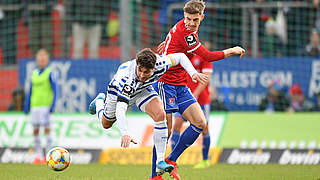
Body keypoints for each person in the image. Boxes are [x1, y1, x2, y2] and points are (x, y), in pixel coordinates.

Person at [152, 1, 245, 179]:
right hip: (167, 84)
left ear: (202, 17)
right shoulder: (187, 32)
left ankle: (171, 160)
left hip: (181, 85)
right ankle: (154, 176)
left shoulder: (187, 28)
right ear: (184, 15)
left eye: (195, 19)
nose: (191, 23)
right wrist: (232, 50)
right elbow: (208, 56)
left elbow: (174, 37)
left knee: (200, 123)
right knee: (166, 131)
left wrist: (168, 42)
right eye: (187, 19)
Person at [88, 48, 208, 176]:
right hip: (117, 92)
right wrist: (125, 133)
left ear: (154, 68)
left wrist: (193, 73)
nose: (142, 74)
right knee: (106, 124)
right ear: (137, 65)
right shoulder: (127, 81)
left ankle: (160, 161)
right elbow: (120, 110)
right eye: (140, 70)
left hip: (143, 90)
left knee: (160, 114)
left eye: (146, 72)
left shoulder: (161, 63)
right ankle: (100, 102)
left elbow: (180, 57)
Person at [171, 41, 213, 169]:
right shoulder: (184, 56)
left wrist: (195, 94)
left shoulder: (205, 57)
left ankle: (205, 160)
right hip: (184, 98)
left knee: (204, 128)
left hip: (201, 100)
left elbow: (206, 78)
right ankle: (173, 159)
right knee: (177, 124)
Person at [24, 48, 57, 164]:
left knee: (47, 130)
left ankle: (49, 156)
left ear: (47, 59)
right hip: (35, 106)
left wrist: (52, 105)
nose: (42, 58)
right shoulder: (33, 73)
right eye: (39, 56)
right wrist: (26, 105)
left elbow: (55, 90)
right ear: (36, 59)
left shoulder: (50, 73)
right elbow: (30, 91)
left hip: (45, 106)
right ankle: (38, 156)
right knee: (35, 131)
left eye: (44, 56)